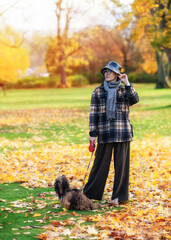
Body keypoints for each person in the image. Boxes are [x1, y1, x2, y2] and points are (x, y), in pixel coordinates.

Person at [83, 61, 139, 206]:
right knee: (99, 165)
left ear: (117, 74)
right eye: (105, 71)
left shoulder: (124, 90)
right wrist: (92, 133)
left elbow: (134, 100)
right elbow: (93, 113)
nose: (106, 74)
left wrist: (126, 82)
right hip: (105, 132)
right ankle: (91, 195)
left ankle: (118, 197)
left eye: (110, 71)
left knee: (121, 166)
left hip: (122, 132)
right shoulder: (98, 91)